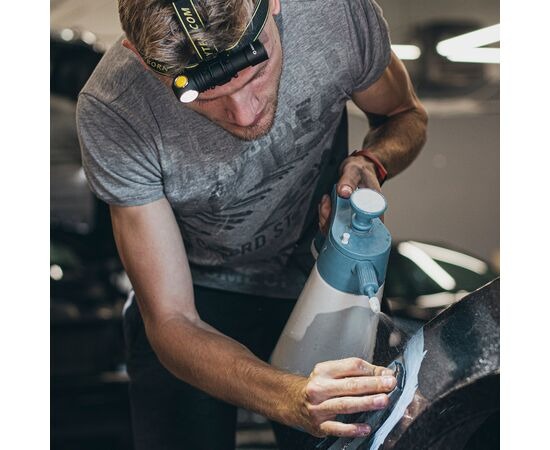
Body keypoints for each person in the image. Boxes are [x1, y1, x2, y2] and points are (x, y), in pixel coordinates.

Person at [76, 0, 427, 448]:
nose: (244, 115)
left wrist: (371, 162)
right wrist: (289, 397)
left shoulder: (334, 13)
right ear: (141, 58)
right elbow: (172, 318)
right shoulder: (114, 108)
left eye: (256, 71)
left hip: (321, 277)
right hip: (196, 297)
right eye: (203, 94)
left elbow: (404, 115)